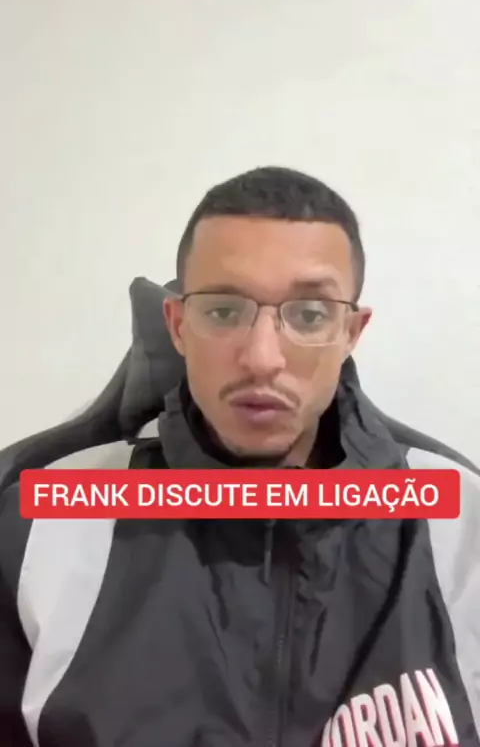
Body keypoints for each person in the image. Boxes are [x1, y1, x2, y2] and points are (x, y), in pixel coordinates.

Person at [0, 166, 479, 747]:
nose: (261, 359)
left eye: (309, 314)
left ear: (351, 332)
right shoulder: (42, 521)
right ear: (178, 325)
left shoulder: (460, 520)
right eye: (224, 311)